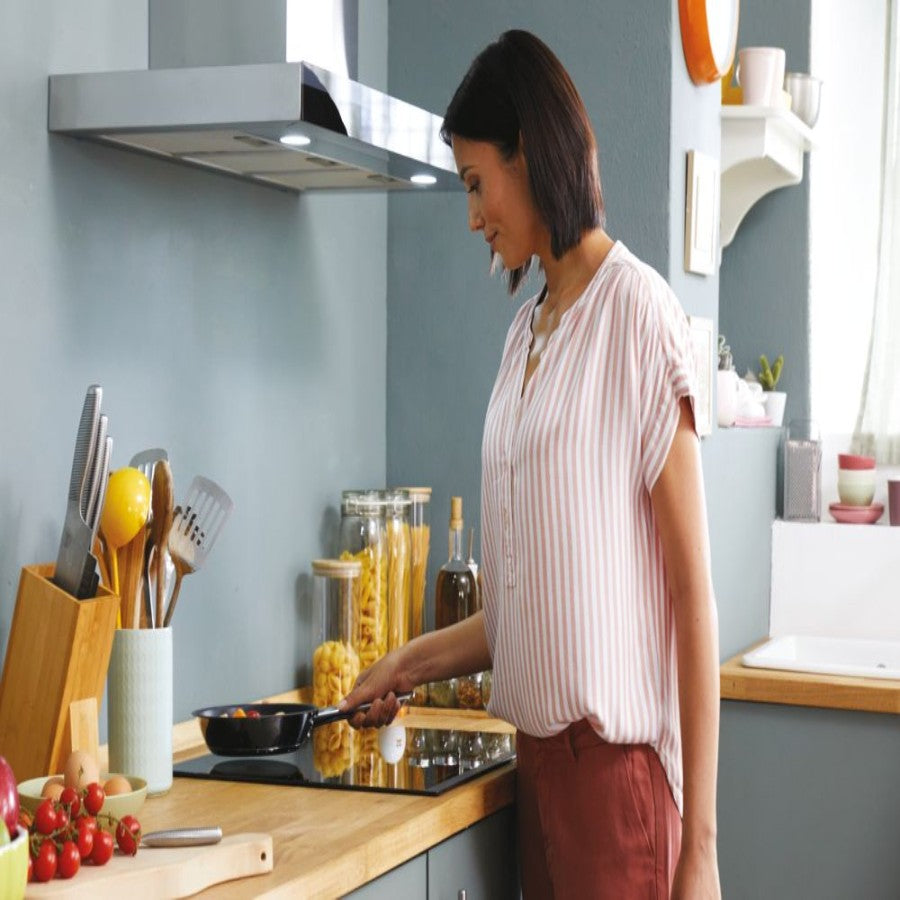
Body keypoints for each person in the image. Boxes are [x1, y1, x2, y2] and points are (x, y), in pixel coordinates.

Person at [340, 29, 721, 899]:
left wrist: (699, 849)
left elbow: (692, 597)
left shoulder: (639, 315)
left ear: (532, 152)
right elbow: (525, 604)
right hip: (537, 769)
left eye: (477, 183)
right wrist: (405, 664)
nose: (472, 214)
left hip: (618, 786)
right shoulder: (524, 334)